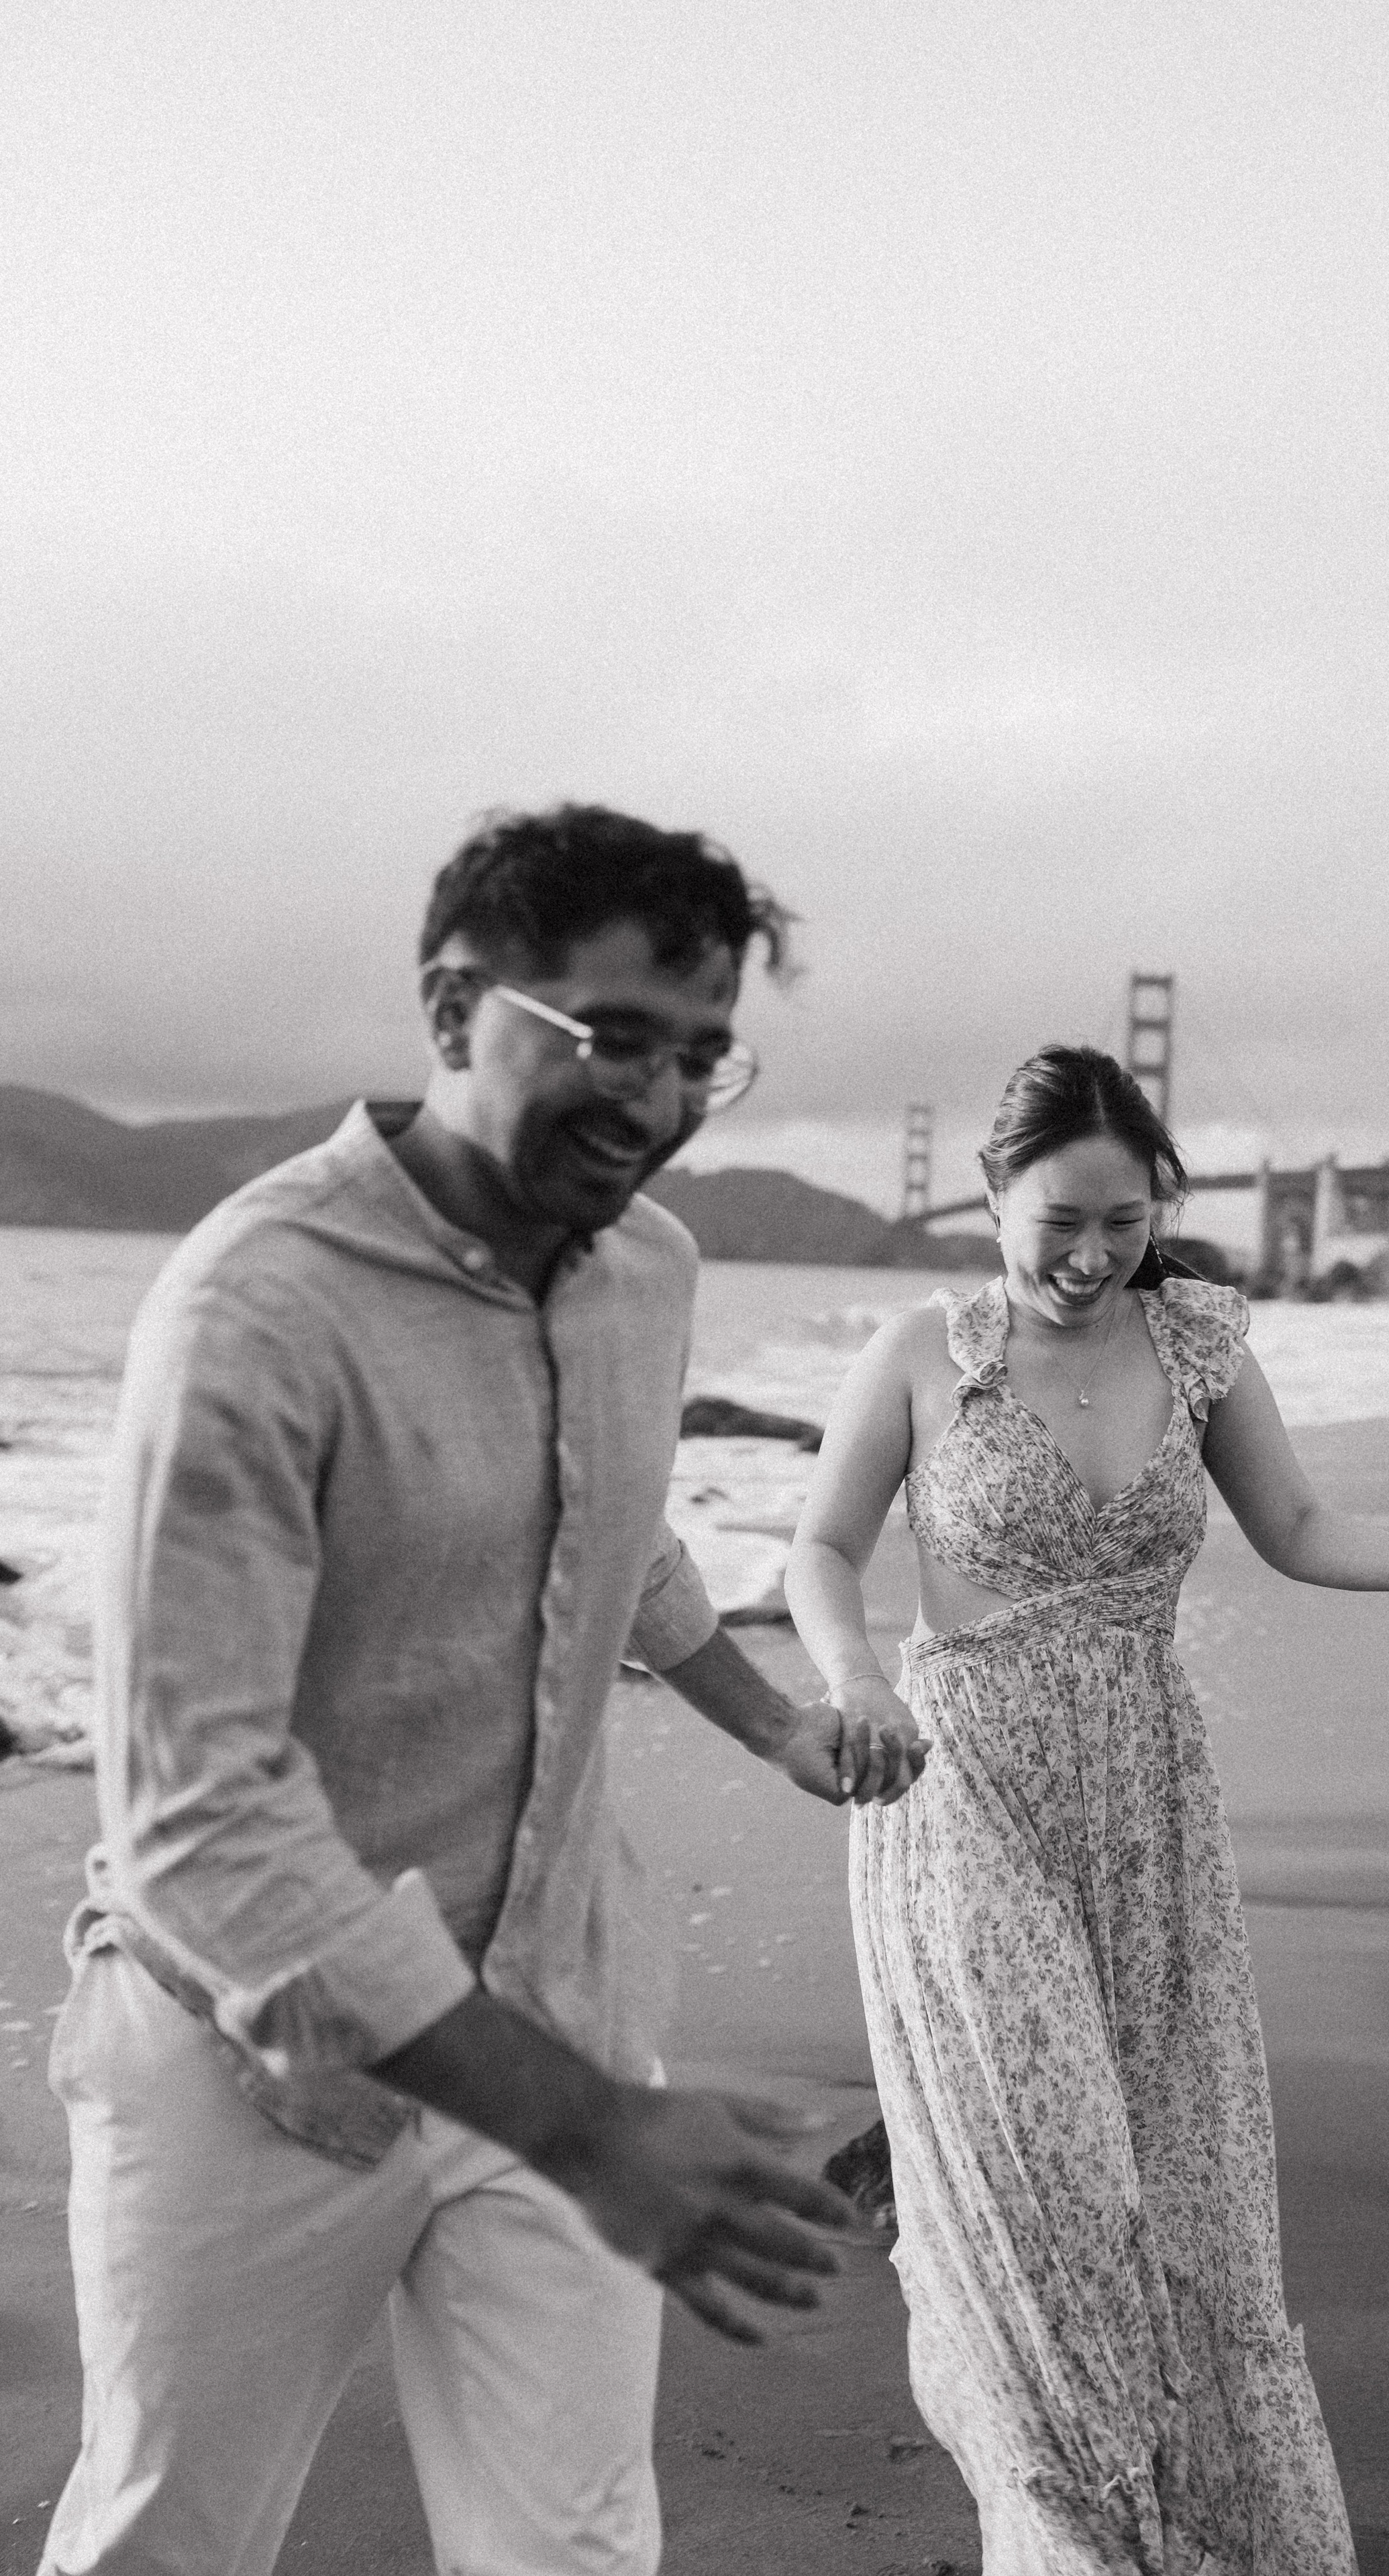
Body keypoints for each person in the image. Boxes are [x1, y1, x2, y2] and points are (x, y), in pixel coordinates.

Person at [40, 804, 924, 2576]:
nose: (656, 1102)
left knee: (576, 2558)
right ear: (453, 1007)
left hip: (557, 2003)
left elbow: (619, 1532)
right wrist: (592, 2129)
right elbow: (200, 1826)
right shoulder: (254, 1308)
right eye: (612, 1038)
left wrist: (774, 1725)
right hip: (246, 2058)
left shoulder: (650, 1270)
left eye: (699, 1057)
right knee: (166, 2542)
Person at [785, 1043, 1389, 2576]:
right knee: (1052, 2192)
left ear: (1159, 1207)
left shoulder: (1199, 1343)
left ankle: (1211, 2536)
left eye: (1123, 1221)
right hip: (960, 1796)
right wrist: (854, 1681)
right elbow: (818, 1547)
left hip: (1148, 1800)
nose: (1091, 1257)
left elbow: (1295, 1523)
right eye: (1057, 1223)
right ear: (990, 1198)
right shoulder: (918, 1354)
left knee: (1185, 2187)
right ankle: (1073, 2537)